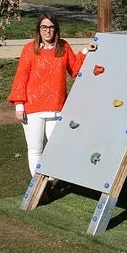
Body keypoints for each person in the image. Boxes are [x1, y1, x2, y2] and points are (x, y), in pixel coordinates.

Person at [8, 14, 97, 178]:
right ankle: (38, 185)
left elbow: (75, 69)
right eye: (44, 27)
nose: (47, 31)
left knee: (58, 147)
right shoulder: (29, 49)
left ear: (55, 29)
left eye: (50, 27)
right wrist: (19, 105)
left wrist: (85, 51)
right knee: (35, 149)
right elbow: (21, 77)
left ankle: (50, 179)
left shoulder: (63, 47)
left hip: (56, 106)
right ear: (39, 29)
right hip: (32, 107)